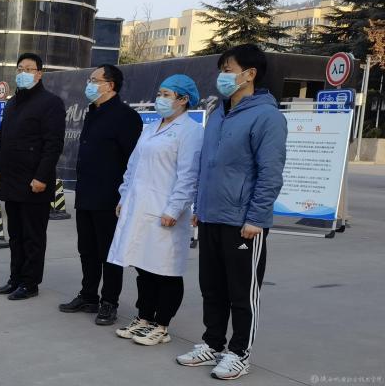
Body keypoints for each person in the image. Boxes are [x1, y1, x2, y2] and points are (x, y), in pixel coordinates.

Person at [176, 44, 286, 381]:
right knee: (212, 287)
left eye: (228, 70)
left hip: (242, 223)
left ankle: (239, 353)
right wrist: (200, 206)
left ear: (250, 74)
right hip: (211, 216)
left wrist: (255, 218)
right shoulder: (218, 114)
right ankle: (212, 343)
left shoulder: (267, 117)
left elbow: (270, 173)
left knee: (242, 291)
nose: (222, 76)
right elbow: (206, 165)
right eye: (222, 70)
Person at [108, 75, 203, 347]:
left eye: (166, 94)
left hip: (166, 212)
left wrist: (174, 208)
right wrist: (124, 196)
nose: (160, 99)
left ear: (183, 99)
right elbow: (133, 166)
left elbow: (188, 176)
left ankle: (162, 325)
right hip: (140, 207)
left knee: (166, 270)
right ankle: (144, 317)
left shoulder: (191, 131)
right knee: (144, 267)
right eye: (159, 93)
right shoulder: (151, 128)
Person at [60, 64, 142, 325]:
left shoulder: (126, 117)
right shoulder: (92, 112)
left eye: (95, 80)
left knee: (109, 252)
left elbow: (132, 161)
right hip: (86, 193)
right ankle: (88, 296)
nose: (90, 84)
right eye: (90, 79)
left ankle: (109, 302)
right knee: (87, 249)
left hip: (110, 197)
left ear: (110, 85)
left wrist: (124, 196)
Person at [0, 53, 65, 301]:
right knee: (16, 235)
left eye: (29, 69)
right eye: (20, 68)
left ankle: (30, 283)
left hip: (34, 184)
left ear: (39, 73)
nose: (23, 73)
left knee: (33, 236)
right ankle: (15, 278)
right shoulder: (12, 104)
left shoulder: (51, 103)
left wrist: (41, 177)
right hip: (12, 180)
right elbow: (2, 139)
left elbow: (53, 145)